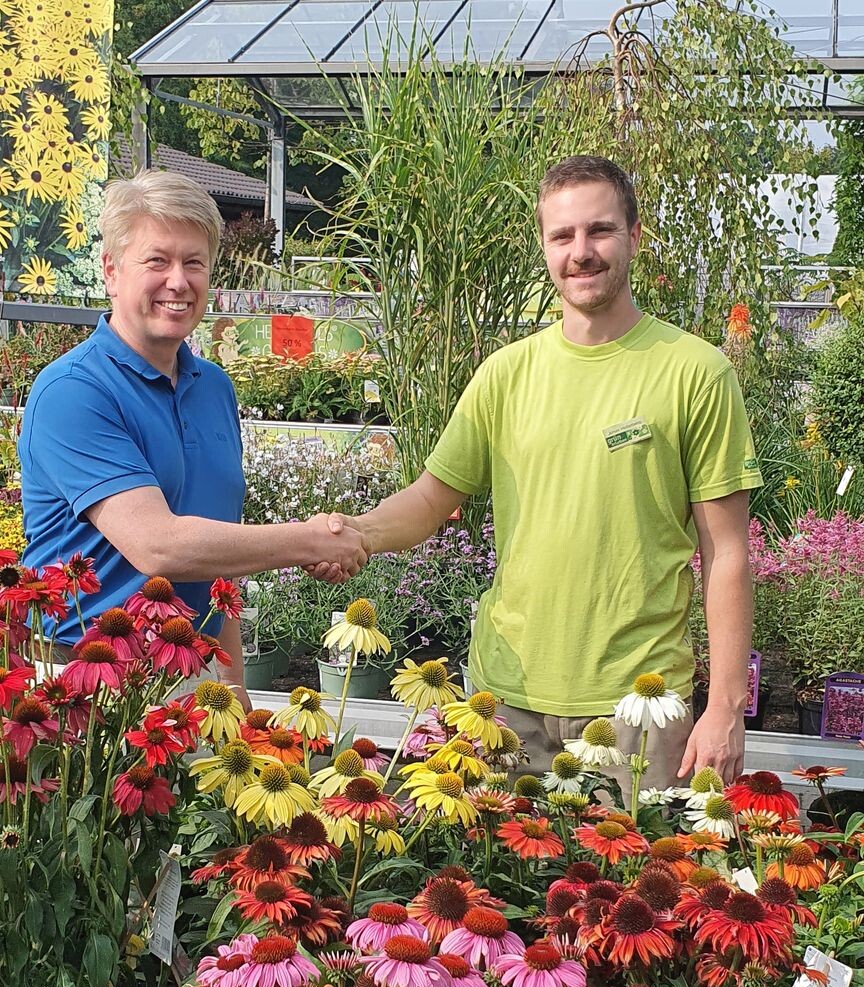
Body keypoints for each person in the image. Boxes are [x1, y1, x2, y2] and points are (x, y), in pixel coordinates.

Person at [313, 156, 761, 787]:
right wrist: (356, 531)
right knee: (497, 883)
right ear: (545, 247)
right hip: (505, 701)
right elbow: (430, 498)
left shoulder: (694, 372)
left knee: (635, 884)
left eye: (600, 231)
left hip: (637, 706)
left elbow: (727, 553)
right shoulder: (507, 373)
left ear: (634, 236)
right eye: (563, 236)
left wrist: (724, 708)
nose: (582, 252)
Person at [17, 169, 369, 705]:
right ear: (111, 271)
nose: (178, 281)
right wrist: (309, 541)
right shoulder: (73, 391)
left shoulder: (214, 389)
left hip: (191, 671)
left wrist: (236, 695)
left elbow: (216, 561)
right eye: (157, 260)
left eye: (194, 262)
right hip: (86, 682)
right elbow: (159, 546)